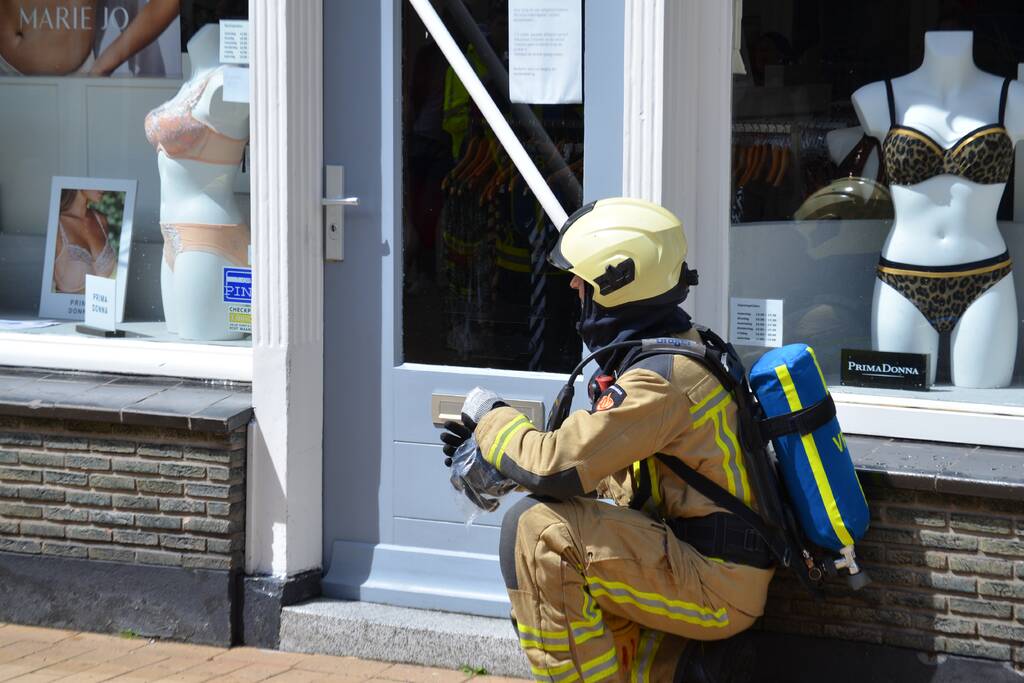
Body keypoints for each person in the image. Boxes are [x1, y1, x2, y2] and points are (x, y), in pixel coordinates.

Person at [441, 198, 772, 682]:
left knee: (537, 536)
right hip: (701, 564)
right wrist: (500, 468)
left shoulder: (661, 380)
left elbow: (553, 463)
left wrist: (491, 419)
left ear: (618, 282)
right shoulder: (667, 353)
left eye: (582, 277)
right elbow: (592, 473)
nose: (573, 285)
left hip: (716, 585)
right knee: (552, 538)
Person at [53, 188, 116, 293]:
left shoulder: (101, 220)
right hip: (64, 308)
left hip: (100, 307)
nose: (104, 188)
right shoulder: (57, 223)